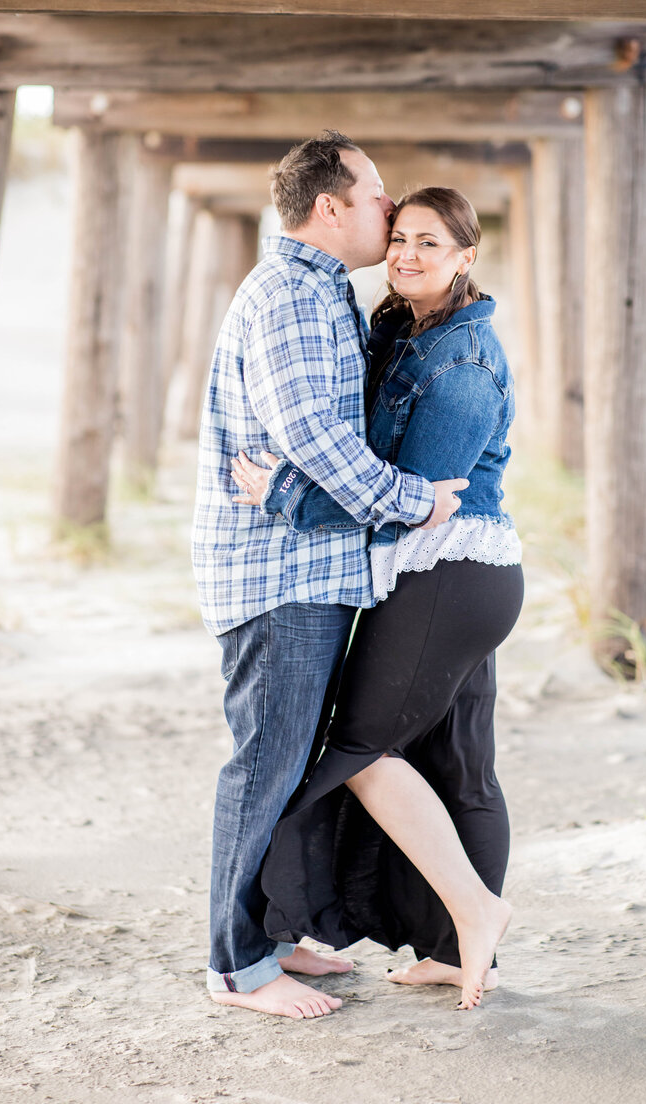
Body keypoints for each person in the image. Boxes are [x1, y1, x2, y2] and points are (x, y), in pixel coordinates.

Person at [191, 134, 466, 1020]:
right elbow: (312, 433)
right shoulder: (292, 295)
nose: (389, 206)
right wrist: (412, 501)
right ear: (330, 207)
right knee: (264, 766)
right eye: (376, 192)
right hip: (278, 576)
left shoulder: (319, 290)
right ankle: (237, 968)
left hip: (304, 569)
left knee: (287, 761)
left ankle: (268, 937)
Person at [231, 186, 524, 1010]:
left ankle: (475, 910)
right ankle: (456, 953)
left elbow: (412, 501)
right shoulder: (399, 327)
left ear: (466, 257)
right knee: (462, 764)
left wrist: (286, 496)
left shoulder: (464, 363)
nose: (407, 255)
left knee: (360, 751)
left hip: (449, 572)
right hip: (457, 576)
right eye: (400, 238)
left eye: (431, 243)